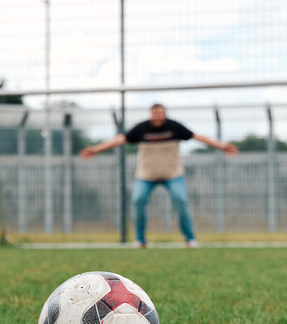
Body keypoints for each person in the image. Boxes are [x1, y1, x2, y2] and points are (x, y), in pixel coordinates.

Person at [80, 104, 239, 248]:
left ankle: (190, 239)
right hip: (146, 176)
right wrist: (96, 149)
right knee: (138, 200)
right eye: (155, 113)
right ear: (151, 115)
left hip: (173, 175)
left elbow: (198, 137)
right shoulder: (141, 129)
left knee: (181, 201)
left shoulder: (175, 127)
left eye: (160, 113)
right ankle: (140, 240)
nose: (157, 116)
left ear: (164, 114)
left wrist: (222, 146)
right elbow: (120, 139)